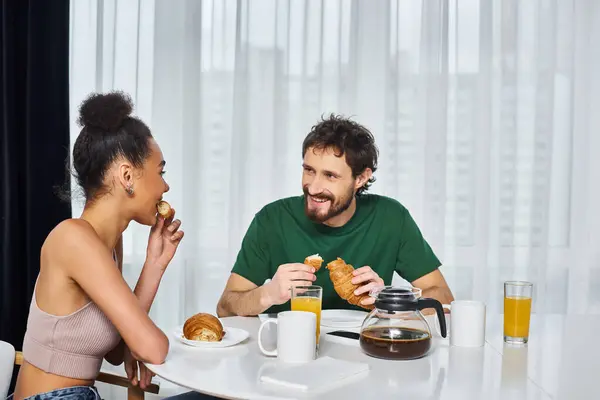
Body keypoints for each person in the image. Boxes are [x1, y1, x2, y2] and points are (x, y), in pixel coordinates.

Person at [12, 91, 184, 399]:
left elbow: (117, 352)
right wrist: (144, 343)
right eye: (161, 172)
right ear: (127, 176)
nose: (165, 186)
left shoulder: (109, 244)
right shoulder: (74, 239)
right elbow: (154, 349)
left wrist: (154, 265)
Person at [217, 114, 454, 317]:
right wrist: (267, 294)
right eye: (309, 170)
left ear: (360, 178)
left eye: (330, 176)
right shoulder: (271, 219)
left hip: (367, 356)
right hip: (287, 358)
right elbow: (225, 307)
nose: (314, 186)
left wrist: (389, 300)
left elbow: (442, 297)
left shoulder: (392, 218)